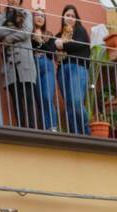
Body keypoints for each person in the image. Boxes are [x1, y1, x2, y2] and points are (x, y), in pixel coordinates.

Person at [0, 5, 38, 128]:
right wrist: (16, 29)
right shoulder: (1, 16)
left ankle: (32, 129)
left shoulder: (27, 13)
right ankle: (22, 127)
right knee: (16, 100)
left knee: (29, 98)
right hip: (10, 65)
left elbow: (27, 31)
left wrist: (8, 37)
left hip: (26, 63)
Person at [54, 5, 90, 136]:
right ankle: (76, 135)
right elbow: (53, 51)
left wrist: (63, 44)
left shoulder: (80, 31)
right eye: (67, 15)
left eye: (72, 16)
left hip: (78, 67)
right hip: (62, 71)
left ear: (76, 19)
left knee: (76, 101)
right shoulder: (58, 35)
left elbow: (79, 45)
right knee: (69, 105)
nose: (70, 18)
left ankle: (86, 133)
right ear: (63, 17)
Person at [31, 8, 58, 131]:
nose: (40, 17)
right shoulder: (29, 35)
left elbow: (52, 52)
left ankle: (52, 127)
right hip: (33, 65)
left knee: (47, 96)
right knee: (40, 99)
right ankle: (45, 128)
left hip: (46, 64)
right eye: (37, 14)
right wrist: (35, 39)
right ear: (32, 17)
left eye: (42, 15)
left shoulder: (49, 35)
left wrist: (40, 41)